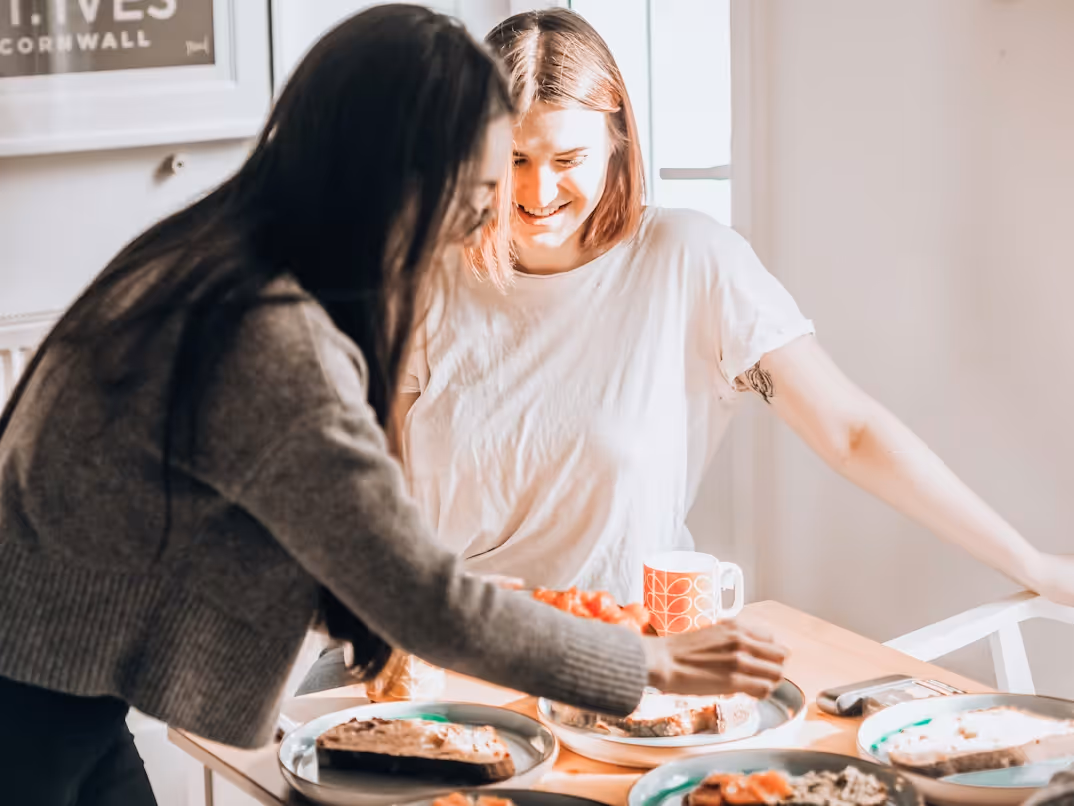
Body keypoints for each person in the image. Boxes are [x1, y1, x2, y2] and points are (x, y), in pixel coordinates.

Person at [0, 6, 788, 805]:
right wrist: (653, 662)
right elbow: (418, 595)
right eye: (482, 185)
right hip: (26, 695)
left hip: (59, 689)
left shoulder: (218, 245)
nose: (490, 217)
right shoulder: (268, 335)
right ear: (390, 174)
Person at [399, 8, 1074, 607]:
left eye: (567, 156)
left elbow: (850, 433)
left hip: (625, 669)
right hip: (447, 659)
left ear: (616, 141)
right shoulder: (422, 279)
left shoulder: (688, 260)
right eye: (513, 158)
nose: (537, 189)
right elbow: (373, 503)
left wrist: (1031, 562)